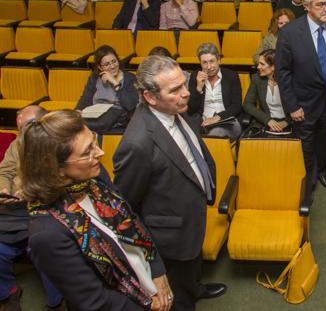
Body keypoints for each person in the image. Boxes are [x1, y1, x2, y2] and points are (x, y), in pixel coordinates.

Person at [22, 110, 173, 311]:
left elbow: (131, 219)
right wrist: (148, 306)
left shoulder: (94, 177)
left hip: (146, 282)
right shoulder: (47, 233)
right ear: (56, 169)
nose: (100, 153)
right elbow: (95, 301)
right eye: (87, 152)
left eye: (94, 142)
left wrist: (157, 271)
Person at [114, 56, 226, 310]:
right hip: (169, 234)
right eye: (175, 90)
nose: (186, 94)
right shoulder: (137, 144)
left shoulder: (171, 110)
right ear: (150, 97)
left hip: (190, 215)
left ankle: (194, 288)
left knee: (190, 269)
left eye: (184, 85)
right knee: (179, 297)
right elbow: (126, 207)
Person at [276, 0, 326, 190]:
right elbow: (283, 72)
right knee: (306, 146)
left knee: (325, 140)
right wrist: (292, 106)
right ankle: (310, 178)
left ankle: (323, 171)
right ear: (306, 5)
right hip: (303, 105)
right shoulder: (289, 33)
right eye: (321, 4)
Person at [0, 106, 66, 311]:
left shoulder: (58, 147)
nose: (23, 135)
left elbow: (61, 184)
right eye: (20, 129)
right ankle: (8, 292)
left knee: (41, 247)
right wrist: (4, 188)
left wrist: (28, 193)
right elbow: (6, 170)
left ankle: (57, 302)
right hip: (13, 209)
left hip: (44, 209)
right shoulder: (18, 143)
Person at [76, 45, 138, 133]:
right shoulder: (94, 78)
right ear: (100, 67)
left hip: (117, 119)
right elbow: (86, 98)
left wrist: (115, 83)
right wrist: (78, 110)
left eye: (114, 61)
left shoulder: (130, 78)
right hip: (96, 114)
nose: (112, 66)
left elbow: (130, 105)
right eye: (106, 64)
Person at [187, 43, 243, 140]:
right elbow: (191, 109)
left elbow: (236, 105)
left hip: (226, 122)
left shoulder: (231, 76)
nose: (209, 67)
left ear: (219, 60)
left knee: (214, 134)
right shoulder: (195, 76)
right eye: (204, 62)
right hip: (202, 123)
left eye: (212, 61)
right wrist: (199, 88)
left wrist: (217, 118)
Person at [243, 48, 291, 132]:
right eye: (258, 64)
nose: (258, 67)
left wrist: (287, 121)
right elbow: (247, 104)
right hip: (264, 122)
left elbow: (302, 106)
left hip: (289, 123)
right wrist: (267, 120)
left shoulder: (289, 79)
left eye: (262, 64)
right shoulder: (256, 78)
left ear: (273, 67)